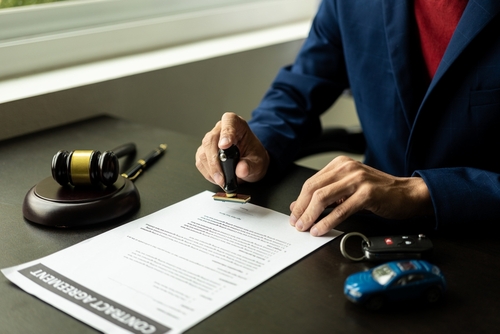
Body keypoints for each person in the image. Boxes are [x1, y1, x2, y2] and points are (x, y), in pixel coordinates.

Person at [196, 0, 500, 236]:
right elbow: (302, 85)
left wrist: (422, 192)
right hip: (369, 228)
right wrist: (258, 144)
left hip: (483, 239)